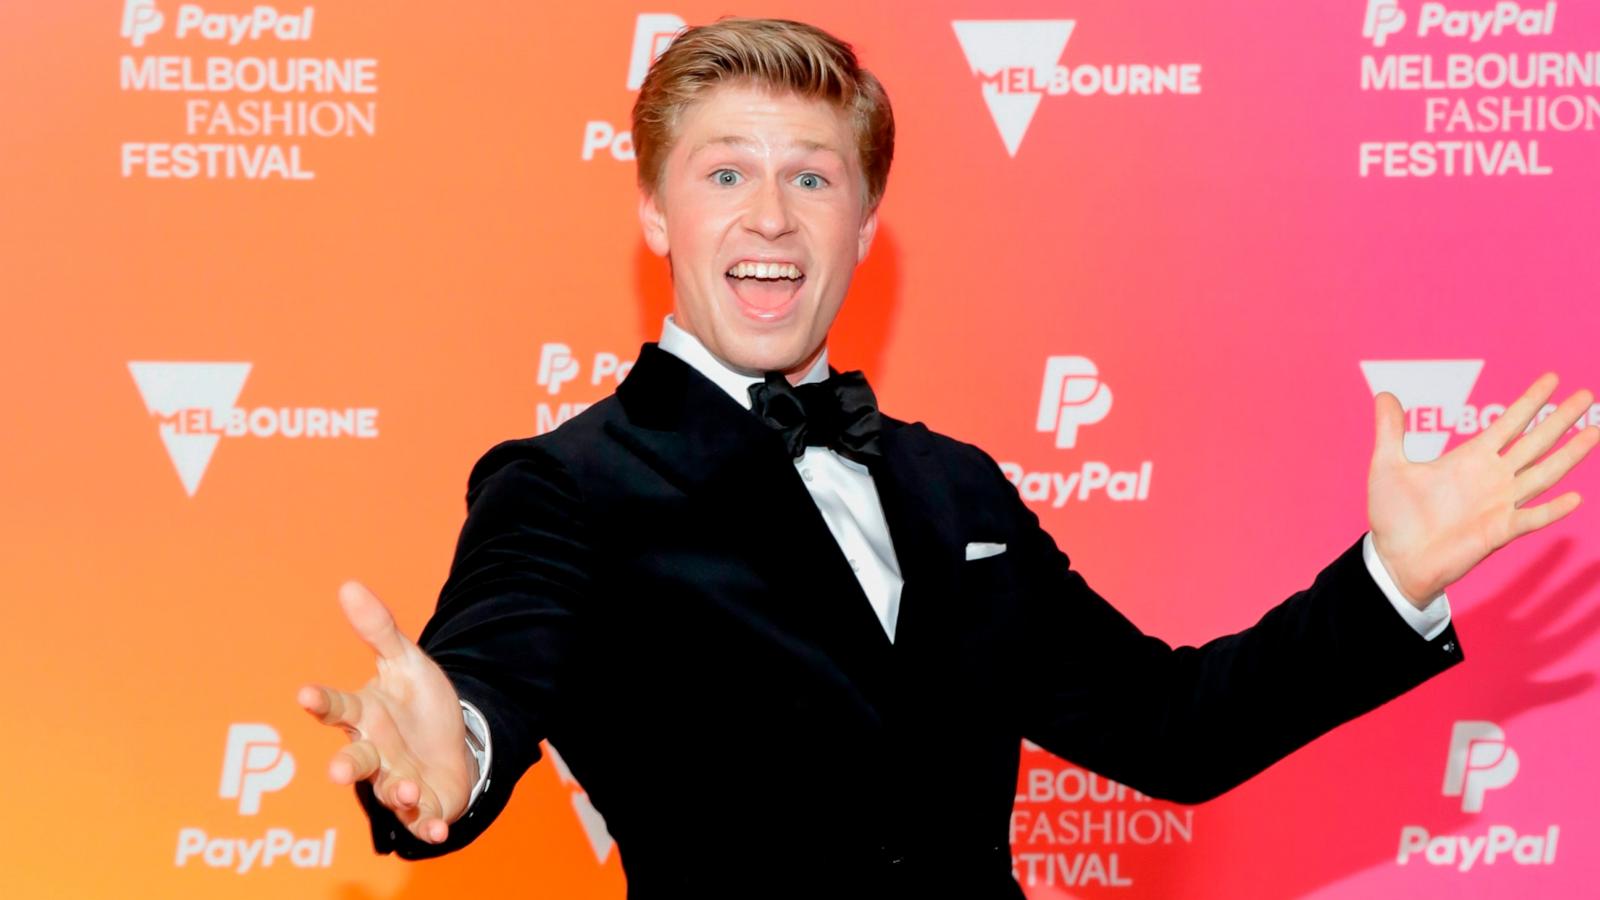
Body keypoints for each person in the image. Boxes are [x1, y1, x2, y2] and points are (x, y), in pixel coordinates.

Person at [295, 17, 1597, 898]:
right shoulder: (566, 486)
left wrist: (1388, 581)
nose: (768, 213)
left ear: (865, 223)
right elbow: (487, 682)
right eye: (723, 172)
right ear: (653, 208)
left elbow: (1168, 730)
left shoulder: (953, 486)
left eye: (811, 178)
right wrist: (451, 749)